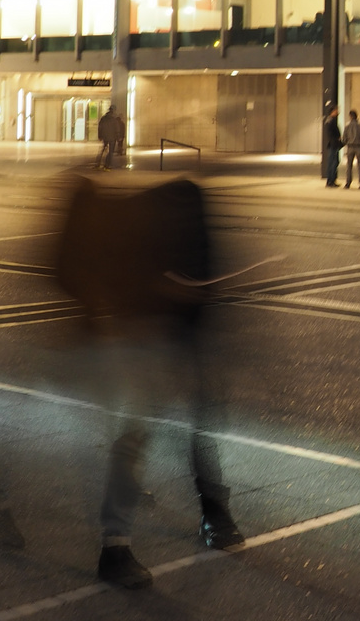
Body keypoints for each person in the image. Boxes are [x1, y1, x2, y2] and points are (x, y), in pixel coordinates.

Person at [52, 177, 244, 590]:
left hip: (172, 334)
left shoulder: (176, 210)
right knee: (144, 432)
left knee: (181, 425)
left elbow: (204, 278)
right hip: (153, 336)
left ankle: (206, 511)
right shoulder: (157, 215)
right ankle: (118, 545)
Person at [342, 109, 360, 190]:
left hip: (350, 147)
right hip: (359, 147)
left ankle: (348, 183)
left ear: (350, 116)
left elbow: (344, 139)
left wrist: (348, 142)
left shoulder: (347, 126)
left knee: (349, 166)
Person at [96, 105, 125, 170]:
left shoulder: (103, 118)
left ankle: (97, 164)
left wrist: (100, 136)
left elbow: (100, 127)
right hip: (112, 138)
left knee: (102, 150)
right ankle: (107, 165)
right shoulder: (114, 120)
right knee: (110, 152)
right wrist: (118, 138)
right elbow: (117, 129)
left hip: (105, 137)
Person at [322, 105, 343, 187]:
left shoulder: (330, 120)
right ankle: (330, 181)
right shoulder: (331, 121)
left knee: (334, 161)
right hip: (333, 144)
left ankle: (332, 180)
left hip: (333, 144)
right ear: (333, 111)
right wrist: (338, 138)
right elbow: (333, 133)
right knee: (333, 162)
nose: (338, 112)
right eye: (337, 110)